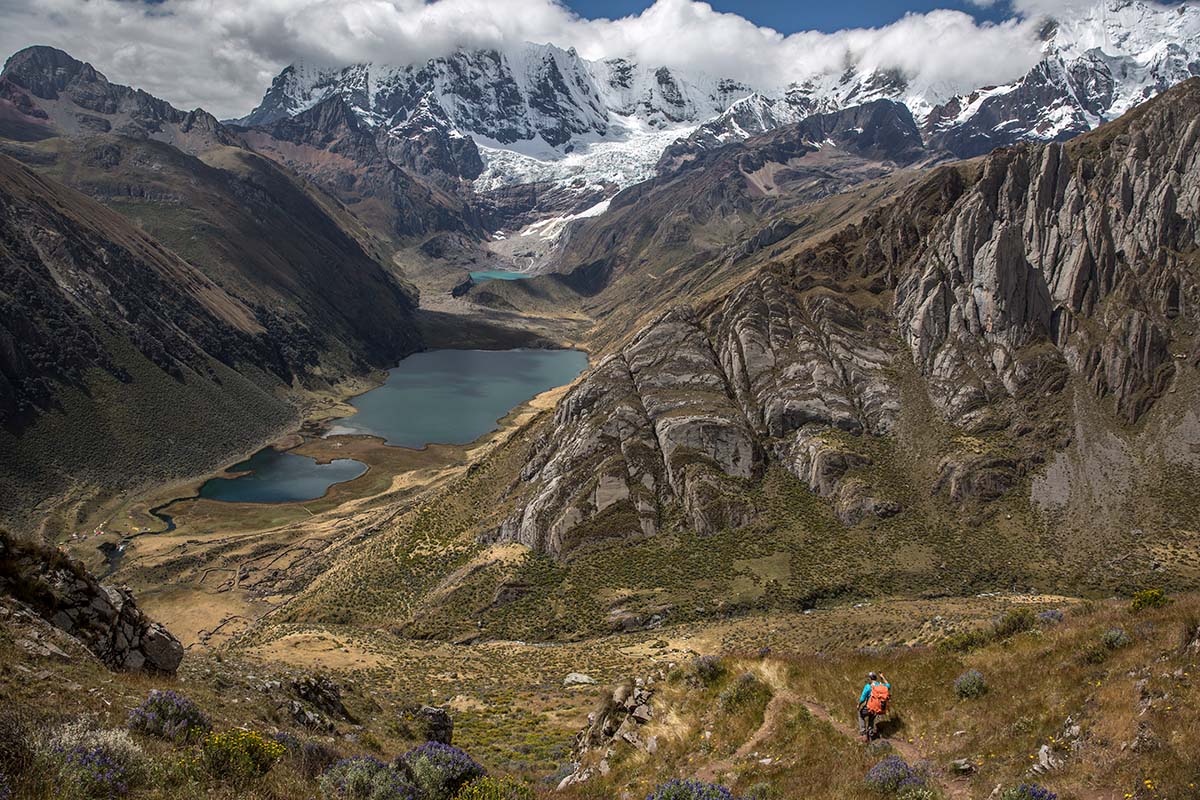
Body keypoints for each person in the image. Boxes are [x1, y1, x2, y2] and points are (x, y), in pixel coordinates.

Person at [857, 671, 891, 742]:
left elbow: (862, 699)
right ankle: (870, 735)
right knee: (871, 718)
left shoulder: (868, 686)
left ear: (870, 678)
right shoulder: (882, 686)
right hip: (877, 708)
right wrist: (882, 677)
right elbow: (889, 685)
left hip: (869, 707)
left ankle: (863, 734)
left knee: (861, 715)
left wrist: (858, 705)